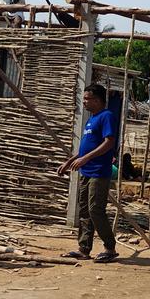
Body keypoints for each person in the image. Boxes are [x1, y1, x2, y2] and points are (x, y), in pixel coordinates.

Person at [58, 84, 119, 262]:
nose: (84, 102)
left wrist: (86, 159)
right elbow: (86, 147)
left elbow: (109, 142)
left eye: (87, 99)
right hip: (86, 170)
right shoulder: (91, 120)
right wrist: (69, 161)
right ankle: (84, 248)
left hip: (99, 171)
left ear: (98, 100)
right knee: (84, 210)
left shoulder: (106, 116)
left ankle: (109, 248)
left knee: (95, 209)